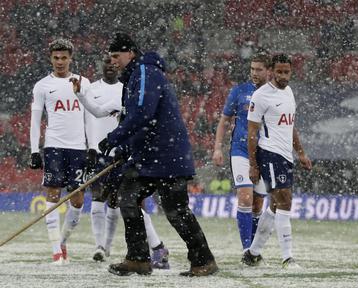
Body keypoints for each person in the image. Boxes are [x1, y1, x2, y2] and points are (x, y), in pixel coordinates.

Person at [97, 32, 217, 276]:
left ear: (130, 53)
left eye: (116, 55)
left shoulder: (144, 73)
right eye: (110, 57)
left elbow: (142, 113)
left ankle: (203, 261)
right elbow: (136, 118)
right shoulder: (134, 77)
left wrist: (114, 138)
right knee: (128, 196)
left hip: (166, 155)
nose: (113, 61)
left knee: (175, 210)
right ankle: (138, 259)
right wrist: (124, 149)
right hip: (150, 156)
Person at [75, 55, 170, 269]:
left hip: (131, 156)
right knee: (115, 201)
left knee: (129, 202)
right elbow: (99, 111)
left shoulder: (137, 95)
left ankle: (155, 250)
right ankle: (140, 249)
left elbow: (143, 123)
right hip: (115, 156)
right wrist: (80, 95)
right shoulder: (121, 96)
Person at [242, 53, 312, 269]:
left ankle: (252, 254)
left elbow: (290, 126)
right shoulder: (261, 96)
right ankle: (287, 257)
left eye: (286, 72)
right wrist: (253, 165)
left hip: (285, 155)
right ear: (271, 71)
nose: (283, 76)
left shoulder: (289, 92)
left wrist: (300, 152)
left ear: (291, 72)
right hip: (269, 153)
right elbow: (252, 133)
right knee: (285, 200)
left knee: (274, 205)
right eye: (279, 72)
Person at [29, 38, 91, 264]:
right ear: (50, 58)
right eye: (56, 58)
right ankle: (56, 251)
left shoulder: (83, 83)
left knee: (77, 200)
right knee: (53, 193)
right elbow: (35, 120)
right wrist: (35, 150)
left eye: (64, 57)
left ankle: (63, 240)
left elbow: (90, 117)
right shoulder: (42, 85)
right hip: (54, 145)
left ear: (70, 58)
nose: (60, 62)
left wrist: (92, 146)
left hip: (78, 147)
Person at [212, 52, 270, 256]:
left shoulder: (276, 94)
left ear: (268, 71)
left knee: (258, 203)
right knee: (245, 197)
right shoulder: (240, 91)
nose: (254, 73)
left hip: (265, 153)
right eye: (252, 69)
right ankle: (246, 248)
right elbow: (224, 120)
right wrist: (218, 147)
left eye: (259, 69)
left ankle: (254, 250)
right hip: (241, 150)